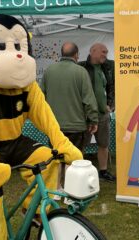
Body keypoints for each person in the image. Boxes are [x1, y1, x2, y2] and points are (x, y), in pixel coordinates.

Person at [0, 14, 82, 240]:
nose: (17, 53)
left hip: (13, 140)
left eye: (20, 45)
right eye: (2, 45)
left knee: (47, 158)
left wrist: (62, 144)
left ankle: (34, 212)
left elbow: (44, 113)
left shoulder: (26, 80)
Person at [41, 42, 99, 196]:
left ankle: (55, 189)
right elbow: (89, 100)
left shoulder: (48, 71)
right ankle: (71, 191)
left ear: (62, 54)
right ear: (76, 55)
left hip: (54, 126)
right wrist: (93, 120)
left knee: (56, 158)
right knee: (73, 160)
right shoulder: (81, 72)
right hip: (76, 125)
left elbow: (40, 98)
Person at [79, 43, 116, 182]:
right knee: (82, 144)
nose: (105, 55)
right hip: (86, 115)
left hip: (103, 114)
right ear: (92, 51)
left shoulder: (107, 68)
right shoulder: (81, 67)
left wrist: (110, 106)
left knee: (104, 144)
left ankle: (103, 171)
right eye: (103, 52)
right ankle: (79, 171)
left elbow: (111, 87)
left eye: (106, 52)